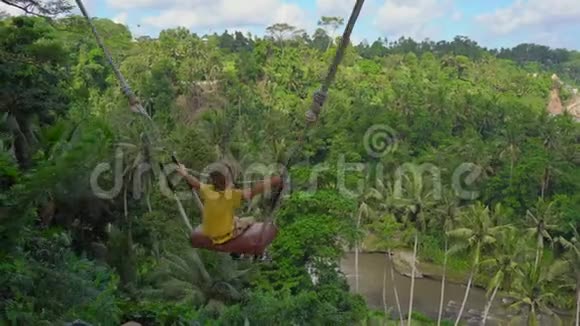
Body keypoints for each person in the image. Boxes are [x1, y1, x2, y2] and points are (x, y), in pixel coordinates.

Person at [176, 161, 283, 246]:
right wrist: (273, 181)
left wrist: (184, 173)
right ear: (227, 182)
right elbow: (252, 192)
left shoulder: (208, 190)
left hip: (210, 234)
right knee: (250, 220)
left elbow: (195, 183)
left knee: (235, 218)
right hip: (225, 235)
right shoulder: (232, 195)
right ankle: (242, 251)